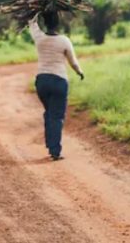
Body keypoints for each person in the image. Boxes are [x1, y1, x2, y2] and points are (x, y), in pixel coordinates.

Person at [29, 10, 84, 161]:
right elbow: (73, 62)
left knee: (49, 113)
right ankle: (54, 151)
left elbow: (32, 24)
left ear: (45, 23)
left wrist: (37, 10)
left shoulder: (39, 37)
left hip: (42, 81)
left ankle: (50, 144)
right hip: (59, 81)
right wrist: (80, 72)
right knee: (56, 116)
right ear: (58, 23)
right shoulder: (64, 41)